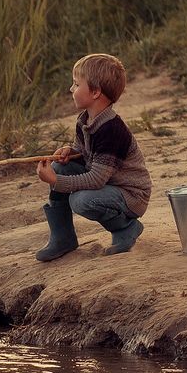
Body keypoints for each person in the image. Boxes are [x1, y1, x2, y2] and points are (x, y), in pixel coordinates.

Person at [35, 53, 151, 260]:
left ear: (96, 92)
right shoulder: (85, 120)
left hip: (130, 195)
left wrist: (55, 181)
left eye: (76, 84)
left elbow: (96, 179)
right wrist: (70, 152)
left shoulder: (112, 130)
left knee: (80, 201)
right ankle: (63, 237)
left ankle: (125, 227)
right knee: (60, 167)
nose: (71, 89)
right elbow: (85, 153)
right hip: (109, 184)